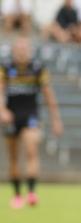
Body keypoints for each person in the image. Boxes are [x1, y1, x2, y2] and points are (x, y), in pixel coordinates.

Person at [0, 36, 63, 209]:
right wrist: (3, 110)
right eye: (18, 49)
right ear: (14, 51)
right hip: (12, 116)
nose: (21, 52)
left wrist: (56, 119)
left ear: (29, 51)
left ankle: (31, 192)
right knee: (13, 158)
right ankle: (17, 195)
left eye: (24, 49)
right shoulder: (6, 68)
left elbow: (48, 95)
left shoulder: (37, 69)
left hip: (30, 115)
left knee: (31, 150)